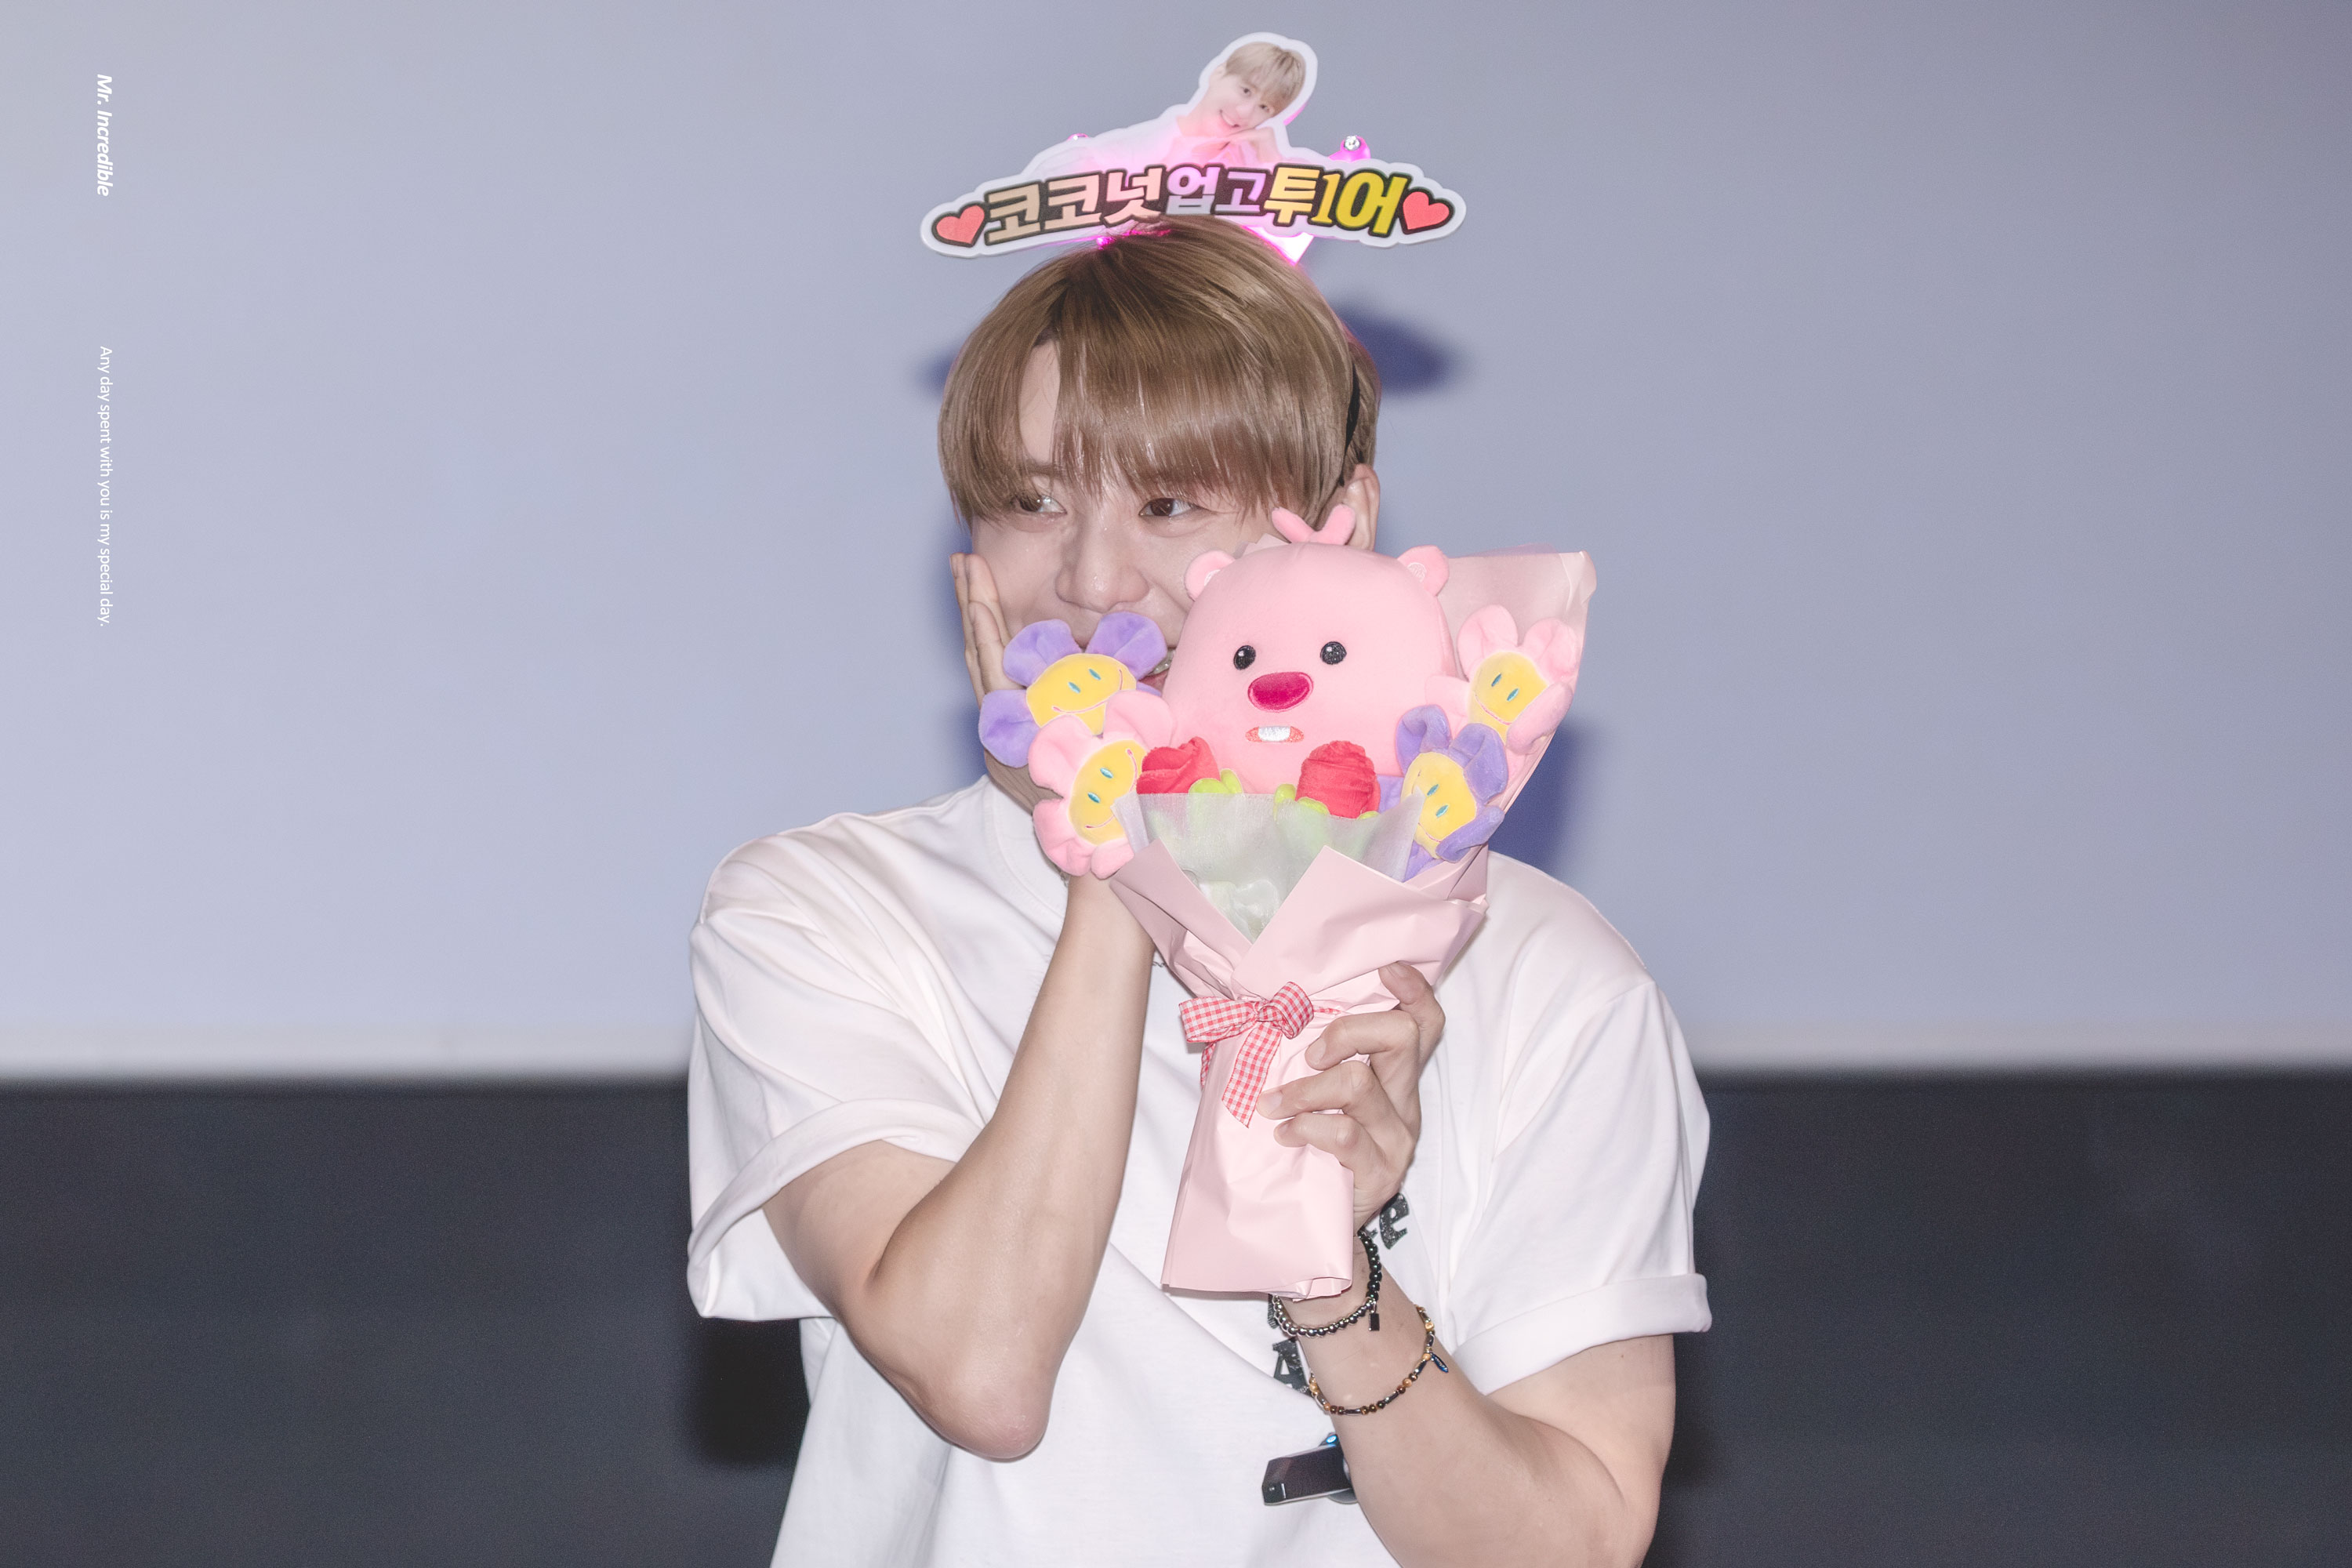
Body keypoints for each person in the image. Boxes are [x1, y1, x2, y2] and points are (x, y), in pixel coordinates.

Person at [686, 216, 1711, 1566]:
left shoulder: (1546, 974)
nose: (1091, 580)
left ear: (1339, 527)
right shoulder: (825, 915)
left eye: (1170, 506)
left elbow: (1566, 1549)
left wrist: (1335, 1278)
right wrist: (1115, 860)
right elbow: (980, 1375)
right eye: (1033, 502)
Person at [1025, 40, 1309, 179]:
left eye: (1264, 107)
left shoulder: (1254, 161)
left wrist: (1271, 162)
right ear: (1219, 73)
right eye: (1245, 90)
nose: (1245, 112)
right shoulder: (1127, 150)